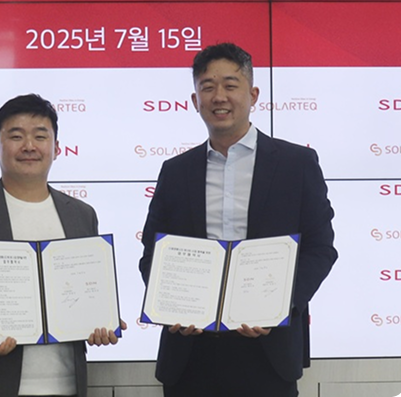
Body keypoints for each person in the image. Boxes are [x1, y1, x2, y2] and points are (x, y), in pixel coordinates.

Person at [139, 43, 338, 397]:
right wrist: (170, 307)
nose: (219, 97)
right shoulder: (176, 171)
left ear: (253, 94)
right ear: (195, 99)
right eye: (208, 87)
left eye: (230, 85)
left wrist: (281, 305)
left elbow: (320, 249)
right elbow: (153, 254)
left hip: (269, 349)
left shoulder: (296, 164)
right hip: (190, 353)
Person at [0, 94, 125, 397]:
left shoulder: (81, 215)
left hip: (67, 384)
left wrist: (101, 320)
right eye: (16, 136)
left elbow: (88, 290)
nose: (29, 146)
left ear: (56, 148)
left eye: (40, 136)